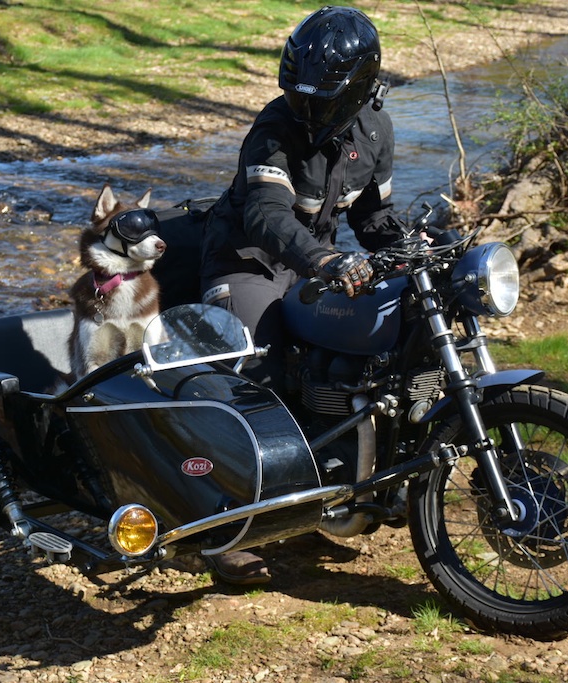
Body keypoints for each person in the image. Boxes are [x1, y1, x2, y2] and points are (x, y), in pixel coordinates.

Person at [199, 6, 404, 585]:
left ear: (360, 89)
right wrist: (325, 259)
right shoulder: (274, 128)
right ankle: (224, 527)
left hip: (315, 262)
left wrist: (421, 245)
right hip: (246, 259)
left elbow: (375, 217)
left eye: (319, 100)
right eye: (297, 95)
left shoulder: (375, 130)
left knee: (387, 340)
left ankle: (356, 471)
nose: (305, 109)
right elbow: (265, 216)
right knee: (252, 370)